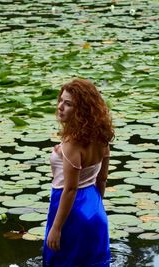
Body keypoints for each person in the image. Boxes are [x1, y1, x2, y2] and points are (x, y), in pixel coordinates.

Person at [43, 78, 114, 266]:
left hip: (69, 210)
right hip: (94, 206)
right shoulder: (102, 137)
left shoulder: (72, 144)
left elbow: (71, 189)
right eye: (61, 101)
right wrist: (95, 206)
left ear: (81, 111)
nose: (60, 107)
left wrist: (56, 228)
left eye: (68, 104)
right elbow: (102, 178)